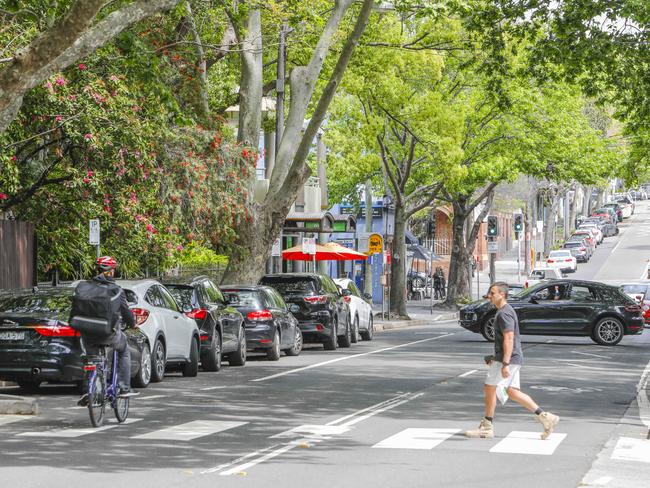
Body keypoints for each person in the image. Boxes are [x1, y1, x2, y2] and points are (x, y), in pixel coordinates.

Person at [465, 282, 559, 440]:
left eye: (493, 293)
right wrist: (495, 358)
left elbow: (509, 338)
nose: (490, 296)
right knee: (513, 392)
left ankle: (487, 427)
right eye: (490, 293)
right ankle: (545, 417)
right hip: (510, 358)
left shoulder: (504, 313)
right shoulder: (504, 311)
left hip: (507, 359)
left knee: (489, 388)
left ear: (502, 295)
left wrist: (505, 363)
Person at [76, 256, 136, 405]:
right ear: (111, 272)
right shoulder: (116, 290)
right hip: (108, 333)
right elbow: (127, 313)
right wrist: (132, 323)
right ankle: (124, 388)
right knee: (124, 349)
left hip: (87, 333)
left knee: (92, 359)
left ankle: (89, 390)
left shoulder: (84, 287)